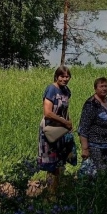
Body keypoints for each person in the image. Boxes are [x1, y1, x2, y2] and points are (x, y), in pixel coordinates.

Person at [37, 65, 77, 193]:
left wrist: (69, 123)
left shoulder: (66, 91)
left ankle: (57, 188)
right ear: (56, 76)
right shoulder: (51, 89)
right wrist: (64, 122)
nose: (65, 79)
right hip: (50, 129)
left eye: (67, 76)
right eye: (62, 76)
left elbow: (65, 110)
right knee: (51, 162)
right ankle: (50, 193)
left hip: (61, 129)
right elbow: (47, 113)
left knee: (60, 160)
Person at [78, 77, 107, 174]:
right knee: (98, 173)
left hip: (106, 144)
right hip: (95, 145)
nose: (104, 88)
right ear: (95, 88)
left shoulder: (106, 100)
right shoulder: (91, 104)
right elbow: (83, 127)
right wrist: (85, 149)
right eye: (101, 86)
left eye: (106, 86)